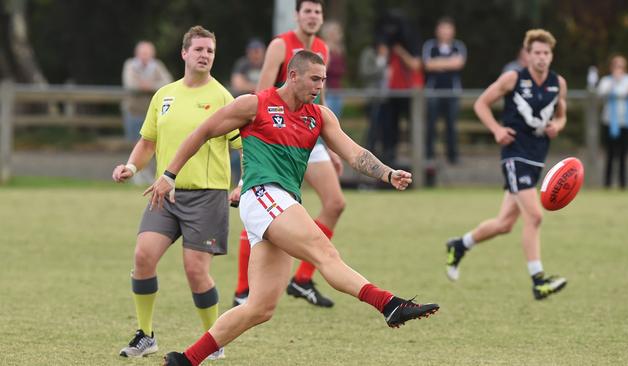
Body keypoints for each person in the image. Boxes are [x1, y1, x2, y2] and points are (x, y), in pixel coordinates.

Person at [144, 49, 440, 366]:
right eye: (315, 79)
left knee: (260, 308)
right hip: (262, 195)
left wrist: (388, 173)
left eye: (324, 80)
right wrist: (169, 175)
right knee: (324, 252)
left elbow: (355, 154)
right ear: (293, 75)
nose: (320, 86)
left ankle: (185, 360)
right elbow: (202, 132)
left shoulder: (320, 116)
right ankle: (389, 304)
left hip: (280, 203)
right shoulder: (254, 104)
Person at [112, 26, 241, 359]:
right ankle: (146, 335)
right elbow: (147, 142)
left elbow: (244, 147)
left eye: (210, 51)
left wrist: (243, 183)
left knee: (196, 271)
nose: (204, 55)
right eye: (198, 49)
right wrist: (131, 166)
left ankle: (214, 342)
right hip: (164, 194)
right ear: (184, 53)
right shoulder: (164, 95)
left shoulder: (223, 97)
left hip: (208, 195)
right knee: (143, 257)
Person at [231, 0, 345, 309]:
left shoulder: (322, 48)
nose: (312, 16)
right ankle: (242, 290)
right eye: (307, 11)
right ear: (297, 15)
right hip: (274, 136)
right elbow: (259, 101)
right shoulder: (280, 45)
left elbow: (319, 97)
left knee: (335, 203)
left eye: (317, 12)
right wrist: (246, 172)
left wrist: (330, 143)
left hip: (307, 132)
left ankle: (302, 279)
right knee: (263, 207)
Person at [445, 29, 568, 300]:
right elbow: (481, 104)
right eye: (536, 53)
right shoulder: (513, 78)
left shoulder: (558, 83)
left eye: (546, 53)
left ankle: (459, 245)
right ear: (527, 54)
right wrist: (497, 130)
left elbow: (562, 114)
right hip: (514, 156)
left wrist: (557, 126)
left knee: (504, 224)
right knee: (534, 216)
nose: (541, 58)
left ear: (551, 55)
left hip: (536, 157)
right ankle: (539, 281)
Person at [376, 9, 423, 166]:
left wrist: (400, 51)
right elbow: (381, 64)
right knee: (389, 125)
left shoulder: (411, 40)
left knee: (413, 125)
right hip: (391, 91)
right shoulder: (386, 43)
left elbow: (415, 65)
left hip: (409, 91)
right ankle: (389, 154)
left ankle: (417, 156)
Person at [121, 41, 173, 184]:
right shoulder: (130, 65)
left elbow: (167, 82)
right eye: (142, 53)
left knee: (153, 144)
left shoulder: (157, 66)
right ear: (137, 54)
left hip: (153, 112)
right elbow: (130, 84)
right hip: (134, 110)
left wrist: (147, 86)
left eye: (147, 53)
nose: (145, 56)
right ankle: (135, 172)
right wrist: (152, 86)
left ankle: (151, 173)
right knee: (135, 142)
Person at [596, 54, 628, 189]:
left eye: (621, 66)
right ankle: (607, 185)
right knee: (610, 155)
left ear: (625, 68)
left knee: (623, 156)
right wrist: (614, 82)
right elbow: (600, 92)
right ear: (611, 67)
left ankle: (622, 185)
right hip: (609, 123)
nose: (618, 68)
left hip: (626, 123)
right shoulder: (607, 81)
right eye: (616, 65)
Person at [422, 17, 466, 166]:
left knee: (451, 126)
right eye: (442, 28)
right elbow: (428, 65)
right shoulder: (430, 46)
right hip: (433, 92)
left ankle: (452, 157)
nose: (445, 32)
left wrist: (439, 63)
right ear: (437, 30)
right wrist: (448, 63)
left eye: (448, 28)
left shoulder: (459, 46)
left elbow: (458, 63)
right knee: (431, 125)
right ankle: (429, 156)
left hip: (452, 93)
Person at [229, 38, 266, 185]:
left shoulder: (266, 64)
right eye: (253, 51)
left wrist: (250, 86)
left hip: (261, 112)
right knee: (238, 145)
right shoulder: (242, 65)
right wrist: (259, 87)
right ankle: (236, 177)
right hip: (242, 111)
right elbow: (238, 84)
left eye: (258, 51)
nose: (256, 55)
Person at [321, 21, 346, 118]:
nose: (338, 35)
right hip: (328, 91)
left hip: (338, 90)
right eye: (334, 32)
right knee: (327, 118)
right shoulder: (325, 48)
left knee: (336, 120)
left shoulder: (340, 50)